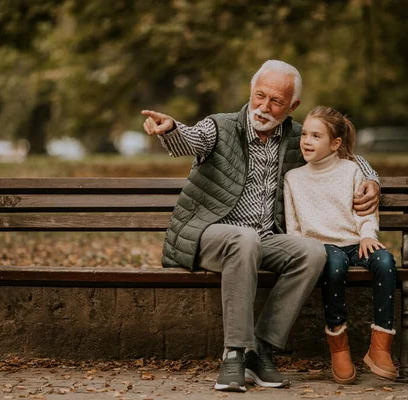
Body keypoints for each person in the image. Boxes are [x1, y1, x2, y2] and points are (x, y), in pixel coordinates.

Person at [141, 61, 380, 392]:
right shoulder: (220, 127)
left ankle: (260, 350)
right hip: (211, 233)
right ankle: (233, 354)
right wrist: (170, 129)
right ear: (251, 92)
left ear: (292, 106)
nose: (264, 107)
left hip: (264, 240)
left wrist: (371, 178)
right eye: (259, 96)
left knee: (312, 253)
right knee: (244, 239)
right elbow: (191, 140)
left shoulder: (299, 137)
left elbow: (347, 155)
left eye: (276, 101)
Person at [283, 106, 397, 384]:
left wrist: (369, 234)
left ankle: (380, 347)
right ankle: (339, 346)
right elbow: (294, 225)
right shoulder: (293, 178)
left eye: (316, 136)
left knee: (385, 261)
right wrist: (303, 250)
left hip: (355, 242)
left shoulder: (352, 170)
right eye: (305, 135)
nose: (307, 141)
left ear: (335, 144)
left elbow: (364, 211)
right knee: (333, 266)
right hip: (321, 248)